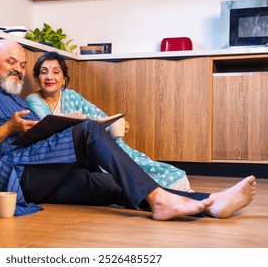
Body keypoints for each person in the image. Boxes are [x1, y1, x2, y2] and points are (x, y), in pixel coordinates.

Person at [0, 39, 257, 221]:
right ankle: (163, 201)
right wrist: (8, 128)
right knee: (88, 131)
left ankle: (210, 203)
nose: (17, 68)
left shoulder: (11, 97)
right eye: (10, 62)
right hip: (15, 177)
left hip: (41, 170)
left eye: (21, 63)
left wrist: (45, 128)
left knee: (109, 186)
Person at [26, 51, 192, 192]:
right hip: (63, 154)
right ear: (37, 77)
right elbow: (49, 127)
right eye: (43, 72)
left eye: (55, 72)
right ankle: (147, 190)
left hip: (87, 146)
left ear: (63, 78)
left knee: (129, 156)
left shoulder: (72, 96)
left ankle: (163, 187)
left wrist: (115, 123)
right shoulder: (34, 99)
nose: (49, 77)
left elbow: (99, 115)